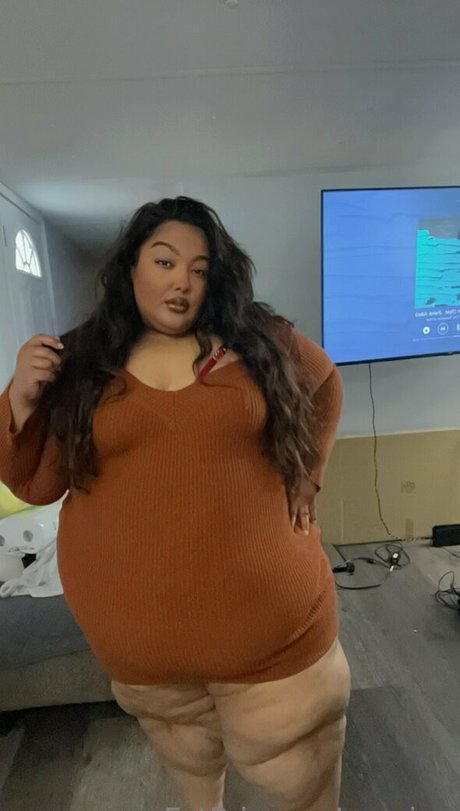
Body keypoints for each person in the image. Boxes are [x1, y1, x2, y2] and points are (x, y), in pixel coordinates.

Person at [0, 197, 351, 811]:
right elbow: (37, 485)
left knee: (299, 779)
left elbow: (325, 384)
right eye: (164, 262)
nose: (182, 282)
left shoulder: (261, 341)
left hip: (273, 641)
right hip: (142, 659)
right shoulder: (80, 358)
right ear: (131, 267)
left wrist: (308, 478)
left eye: (200, 268)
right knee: (190, 773)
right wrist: (21, 399)